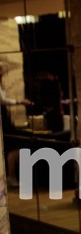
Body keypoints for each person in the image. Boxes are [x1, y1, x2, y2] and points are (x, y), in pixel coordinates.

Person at [0, 60, 33, 188]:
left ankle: (11, 176)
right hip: (4, 120)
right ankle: (11, 176)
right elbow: (2, 100)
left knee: (13, 148)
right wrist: (19, 101)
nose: (3, 72)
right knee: (13, 148)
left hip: (5, 118)